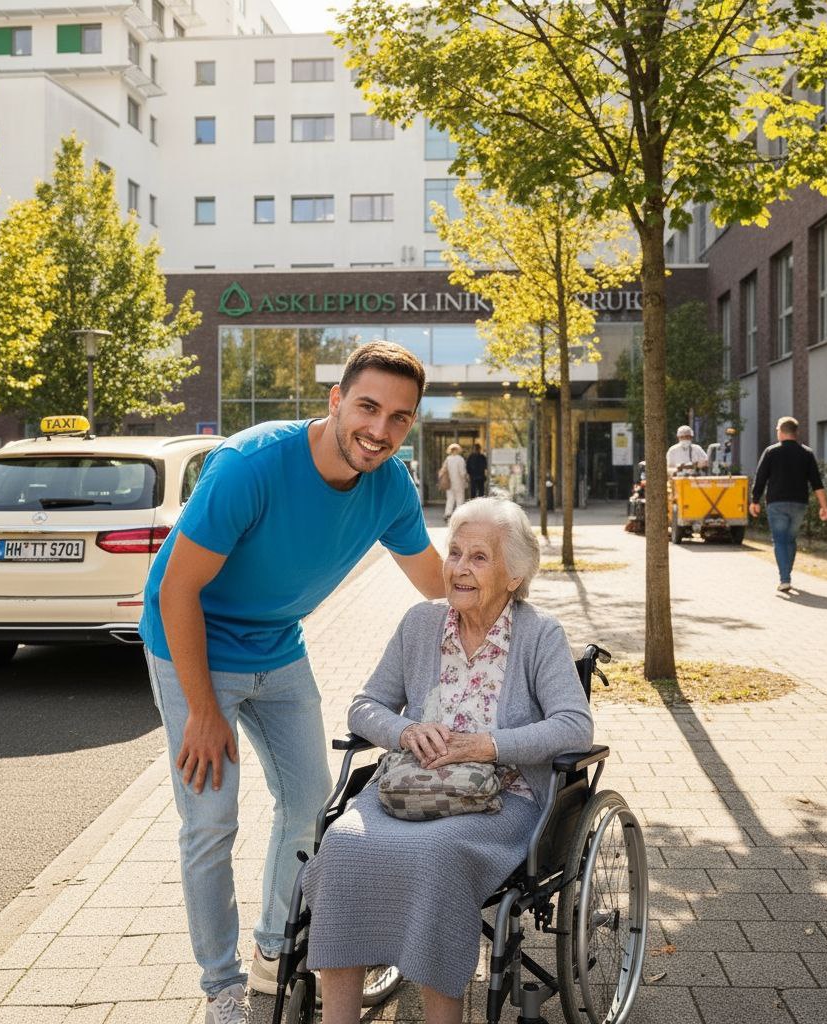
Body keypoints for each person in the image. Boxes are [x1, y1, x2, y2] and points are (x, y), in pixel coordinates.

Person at [138, 341, 446, 1024]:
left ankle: (275, 952)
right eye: (367, 406)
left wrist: (503, 586)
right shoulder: (250, 467)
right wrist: (201, 711)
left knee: (309, 802)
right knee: (212, 821)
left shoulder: (390, 485)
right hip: (193, 642)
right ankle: (221, 988)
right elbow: (177, 591)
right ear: (336, 401)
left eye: (399, 418)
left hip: (277, 647)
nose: (379, 428)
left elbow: (434, 580)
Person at [302, 497, 594, 1024]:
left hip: (502, 800)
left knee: (436, 855)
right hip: (407, 788)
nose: (459, 567)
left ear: (514, 574)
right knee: (343, 846)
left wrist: (490, 745)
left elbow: (575, 725)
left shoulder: (539, 634)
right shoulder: (420, 624)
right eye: (454, 552)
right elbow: (364, 705)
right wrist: (405, 729)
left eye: (478, 557)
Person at [749, 416, 827, 593]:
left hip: (776, 504)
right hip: (799, 504)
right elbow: (817, 483)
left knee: (779, 540)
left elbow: (760, 478)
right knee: (790, 539)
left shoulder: (771, 452)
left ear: (780, 431)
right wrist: (824, 506)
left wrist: (754, 501)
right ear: (796, 432)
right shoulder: (806, 453)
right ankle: (787, 574)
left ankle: (785, 578)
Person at [442, 442, 467, 520]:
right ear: (457, 450)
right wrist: (466, 479)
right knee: (460, 499)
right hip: (459, 482)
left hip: (449, 482)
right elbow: (462, 472)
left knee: (450, 498)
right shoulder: (460, 459)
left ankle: (447, 513)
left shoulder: (448, 459)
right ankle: (459, 515)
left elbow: (443, 470)